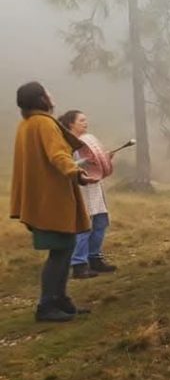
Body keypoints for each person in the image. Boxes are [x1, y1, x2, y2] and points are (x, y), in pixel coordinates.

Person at [9, 82, 96, 322]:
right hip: (51, 199)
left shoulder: (26, 124)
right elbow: (57, 154)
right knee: (60, 251)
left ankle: (60, 300)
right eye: (47, 92)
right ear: (40, 98)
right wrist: (76, 173)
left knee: (65, 248)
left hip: (40, 198)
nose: (51, 94)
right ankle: (47, 305)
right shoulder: (44, 123)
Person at [58, 110, 116, 279]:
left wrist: (104, 159)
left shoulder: (88, 141)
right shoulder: (67, 143)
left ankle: (95, 258)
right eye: (81, 120)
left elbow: (95, 165)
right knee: (83, 226)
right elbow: (67, 164)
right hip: (80, 188)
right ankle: (79, 264)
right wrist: (87, 160)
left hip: (94, 187)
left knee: (100, 222)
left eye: (85, 120)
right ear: (71, 124)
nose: (85, 123)